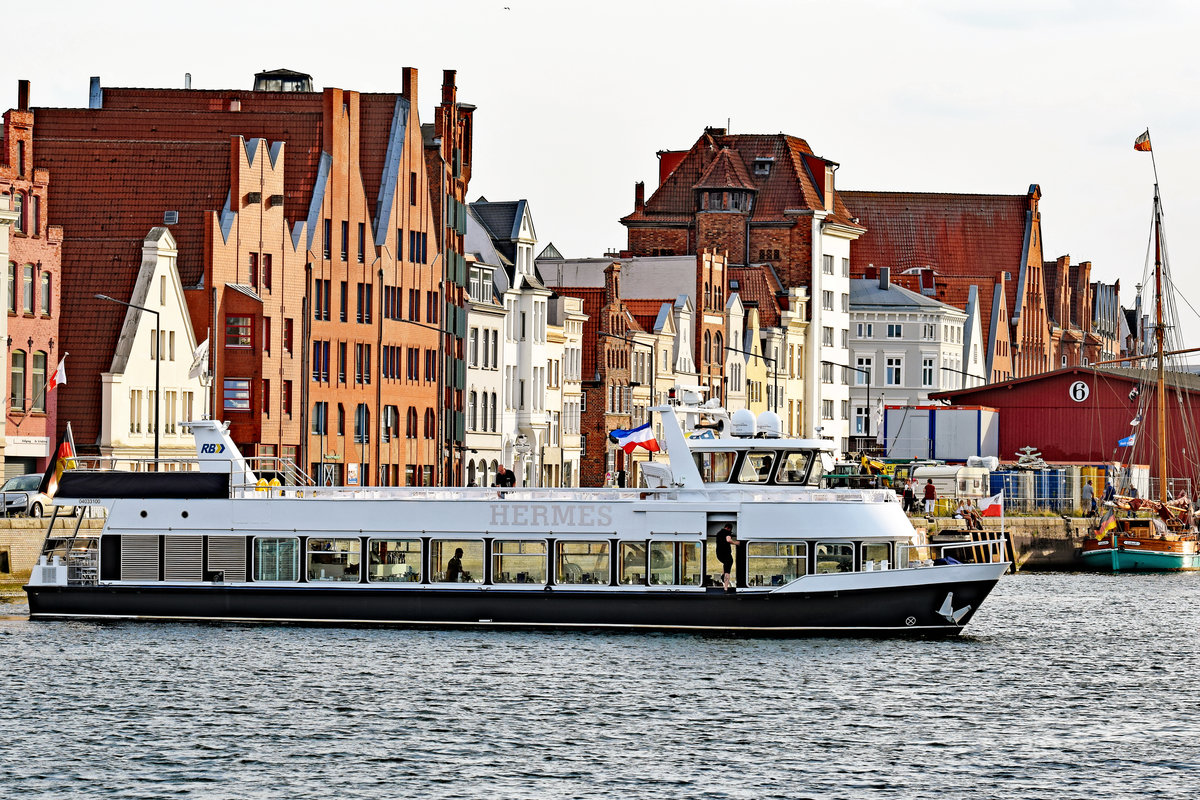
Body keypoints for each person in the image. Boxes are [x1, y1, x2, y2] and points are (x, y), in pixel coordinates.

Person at [715, 523, 739, 592]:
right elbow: (728, 540)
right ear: (729, 528)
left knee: (725, 564)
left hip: (719, 554)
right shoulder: (727, 532)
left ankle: (723, 575)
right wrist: (736, 543)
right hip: (726, 554)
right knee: (727, 572)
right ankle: (726, 588)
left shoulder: (718, 533)